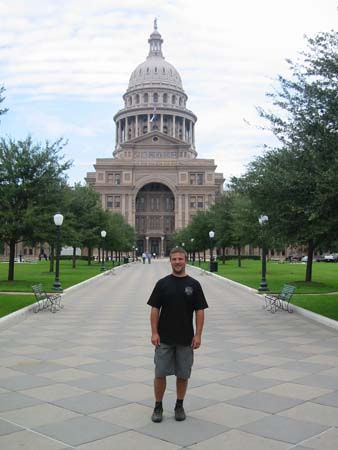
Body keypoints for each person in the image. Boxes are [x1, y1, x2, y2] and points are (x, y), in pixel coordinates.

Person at [147, 246, 208, 423]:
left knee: (183, 375)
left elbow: (200, 311)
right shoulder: (162, 283)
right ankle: (158, 406)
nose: (177, 262)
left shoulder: (194, 285)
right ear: (170, 261)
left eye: (180, 259)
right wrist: (154, 332)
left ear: (185, 260)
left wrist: (198, 335)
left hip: (185, 338)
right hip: (164, 338)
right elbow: (154, 309)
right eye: (174, 259)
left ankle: (179, 405)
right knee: (160, 373)